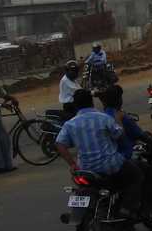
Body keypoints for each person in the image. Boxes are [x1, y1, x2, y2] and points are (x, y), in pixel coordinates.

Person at [55, 89, 143, 218]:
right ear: (92, 102)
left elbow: (59, 144)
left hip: (85, 170)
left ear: (76, 105)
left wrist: (72, 164)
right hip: (109, 166)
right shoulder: (104, 118)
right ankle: (126, 208)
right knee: (137, 175)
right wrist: (118, 120)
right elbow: (119, 135)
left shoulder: (70, 124)